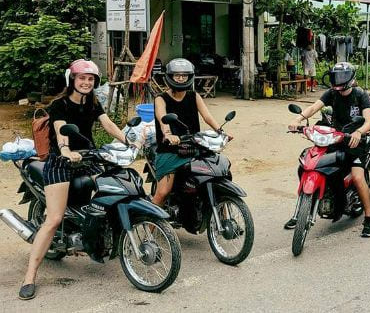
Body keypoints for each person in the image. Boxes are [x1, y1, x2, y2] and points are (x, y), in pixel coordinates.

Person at [19, 60, 133, 300]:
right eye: (82, 78)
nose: (86, 83)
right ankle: (30, 276)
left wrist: (127, 141)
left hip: (88, 157)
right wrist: (65, 150)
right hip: (62, 162)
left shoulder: (93, 102)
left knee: (112, 188)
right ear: (72, 79)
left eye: (90, 79)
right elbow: (61, 128)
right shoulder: (59, 104)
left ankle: (92, 235)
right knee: (54, 218)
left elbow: (108, 124)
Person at [285, 62, 370, 237]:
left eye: (342, 77)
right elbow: (313, 108)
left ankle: (369, 218)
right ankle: (301, 212)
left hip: (355, 141)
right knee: (306, 164)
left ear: (350, 78)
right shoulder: (331, 94)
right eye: (336, 77)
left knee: (357, 177)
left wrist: (358, 132)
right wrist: (297, 120)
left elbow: (368, 121)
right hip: (334, 138)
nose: (338, 81)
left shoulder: (361, 95)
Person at [152, 58, 233, 207]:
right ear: (170, 77)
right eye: (177, 75)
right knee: (163, 192)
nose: (181, 78)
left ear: (190, 76)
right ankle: (150, 226)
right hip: (170, 149)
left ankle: (222, 216)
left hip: (194, 146)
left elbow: (207, 116)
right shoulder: (161, 99)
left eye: (184, 75)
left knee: (218, 172)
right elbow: (163, 119)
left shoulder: (193, 96)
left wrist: (221, 132)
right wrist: (168, 135)